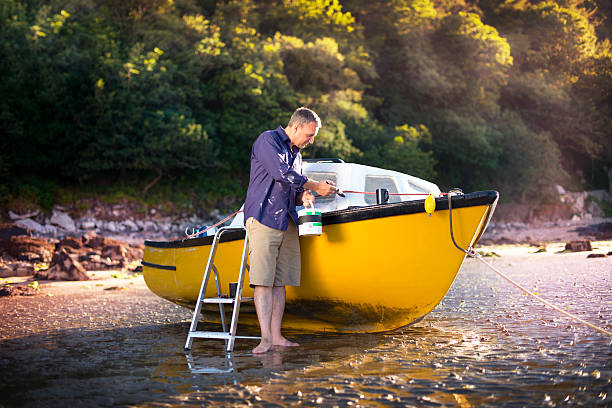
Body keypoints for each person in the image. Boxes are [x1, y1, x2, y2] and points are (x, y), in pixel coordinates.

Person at [243, 107, 337, 354]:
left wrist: (304, 195)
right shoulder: (267, 140)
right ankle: (264, 339)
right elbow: (281, 173)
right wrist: (316, 185)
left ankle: (276, 337)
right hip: (263, 218)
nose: (311, 140)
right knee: (263, 282)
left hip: (288, 220)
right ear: (296, 127)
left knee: (280, 282)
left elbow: (292, 187)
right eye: (309, 134)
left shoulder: (297, 154)